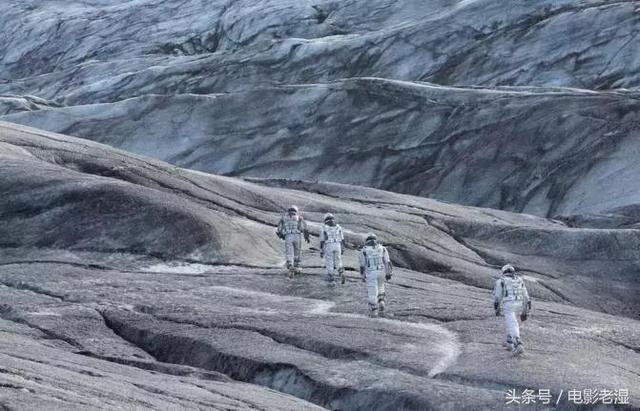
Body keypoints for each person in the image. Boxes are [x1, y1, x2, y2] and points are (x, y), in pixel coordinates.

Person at [493, 264, 531, 355]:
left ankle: (518, 343)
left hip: (508, 304)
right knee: (512, 321)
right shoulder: (520, 280)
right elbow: (526, 296)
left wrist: (497, 309)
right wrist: (525, 311)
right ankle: (509, 341)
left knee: (512, 323)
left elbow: (497, 297)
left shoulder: (501, 281)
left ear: (503, 272)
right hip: (519, 304)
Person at [358, 233, 393, 317]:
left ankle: (374, 310)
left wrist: (362, 275)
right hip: (381, 270)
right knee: (381, 286)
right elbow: (388, 262)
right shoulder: (382, 248)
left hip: (371, 272)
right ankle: (381, 301)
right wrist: (389, 272)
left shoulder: (364, 250)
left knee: (372, 290)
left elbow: (362, 265)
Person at [276, 205, 310, 277]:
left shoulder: (283, 218)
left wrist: (282, 236)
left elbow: (279, 230)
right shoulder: (299, 218)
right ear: (296, 210)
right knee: (297, 250)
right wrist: (306, 237)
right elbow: (305, 228)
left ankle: (290, 264)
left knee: (289, 251)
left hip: (288, 236)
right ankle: (296, 265)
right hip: (297, 235)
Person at [319, 213, 346, 286]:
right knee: (338, 260)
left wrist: (321, 250)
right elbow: (342, 239)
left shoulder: (324, 227)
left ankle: (331, 279)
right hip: (337, 245)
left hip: (329, 245)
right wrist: (343, 247)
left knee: (329, 262)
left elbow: (322, 240)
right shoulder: (338, 227)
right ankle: (341, 272)